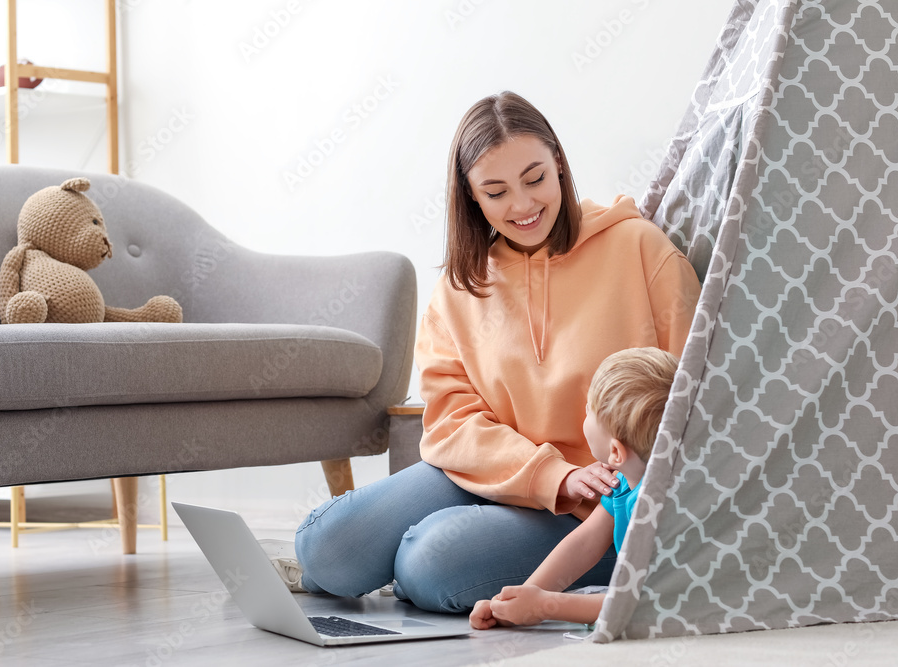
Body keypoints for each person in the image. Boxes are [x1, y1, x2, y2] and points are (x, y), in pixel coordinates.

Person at [293, 91, 701, 613]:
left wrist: (589, 479)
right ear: (472, 198)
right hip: (489, 475)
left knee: (429, 564)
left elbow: (695, 392)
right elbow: (452, 421)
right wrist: (549, 474)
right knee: (327, 549)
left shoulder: (640, 249)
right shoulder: (460, 289)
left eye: (535, 179)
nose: (524, 206)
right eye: (497, 191)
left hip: (596, 506)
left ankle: (439, 560)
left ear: (558, 163)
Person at [470, 347, 678, 629]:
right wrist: (519, 600)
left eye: (589, 410)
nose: (584, 411)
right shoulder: (623, 483)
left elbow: (644, 602)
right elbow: (583, 544)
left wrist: (544, 606)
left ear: (616, 451)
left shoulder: (660, 505)